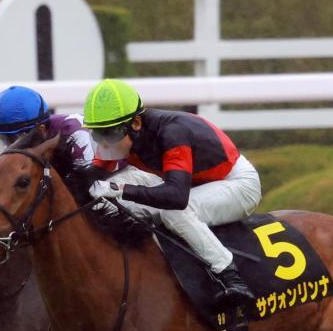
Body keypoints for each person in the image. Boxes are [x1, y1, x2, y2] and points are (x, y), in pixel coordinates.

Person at [82, 79, 260, 308]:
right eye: (98, 134)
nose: (105, 143)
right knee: (104, 200)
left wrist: (120, 190)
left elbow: (177, 197)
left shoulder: (172, 132)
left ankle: (229, 275)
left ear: (136, 123)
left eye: (110, 134)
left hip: (237, 184)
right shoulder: (125, 134)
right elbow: (90, 179)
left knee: (172, 213)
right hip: (190, 183)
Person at [0, 85, 96, 180]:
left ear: (42, 129)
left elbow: (95, 190)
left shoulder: (75, 133)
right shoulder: (29, 134)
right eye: (6, 139)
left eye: (17, 139)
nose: (12, 147)